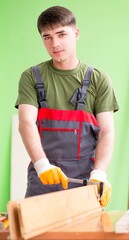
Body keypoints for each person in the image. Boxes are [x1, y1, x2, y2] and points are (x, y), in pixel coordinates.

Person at [15, 6, 119, 207]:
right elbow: (26, 122)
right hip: (42, 181)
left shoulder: (98, 79)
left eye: (61, 34)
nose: (55, 43)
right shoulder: (31, 77)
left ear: (76, 33)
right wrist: (42, 165)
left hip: (84, 185)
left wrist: (99, 174)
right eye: (47, 37)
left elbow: (107, 131)